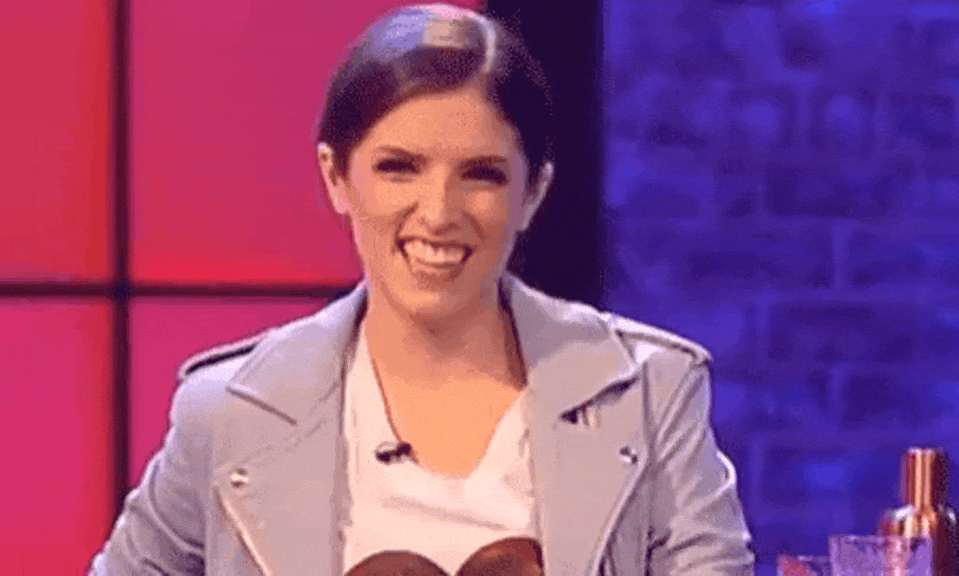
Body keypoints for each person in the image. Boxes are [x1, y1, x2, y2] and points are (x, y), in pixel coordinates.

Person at [89, 3, 754, 575]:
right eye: (399, 168)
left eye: (482, 175)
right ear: (337, 177)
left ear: (534, 192)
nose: (438, 213)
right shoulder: (229, 412)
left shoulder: (649, 394)